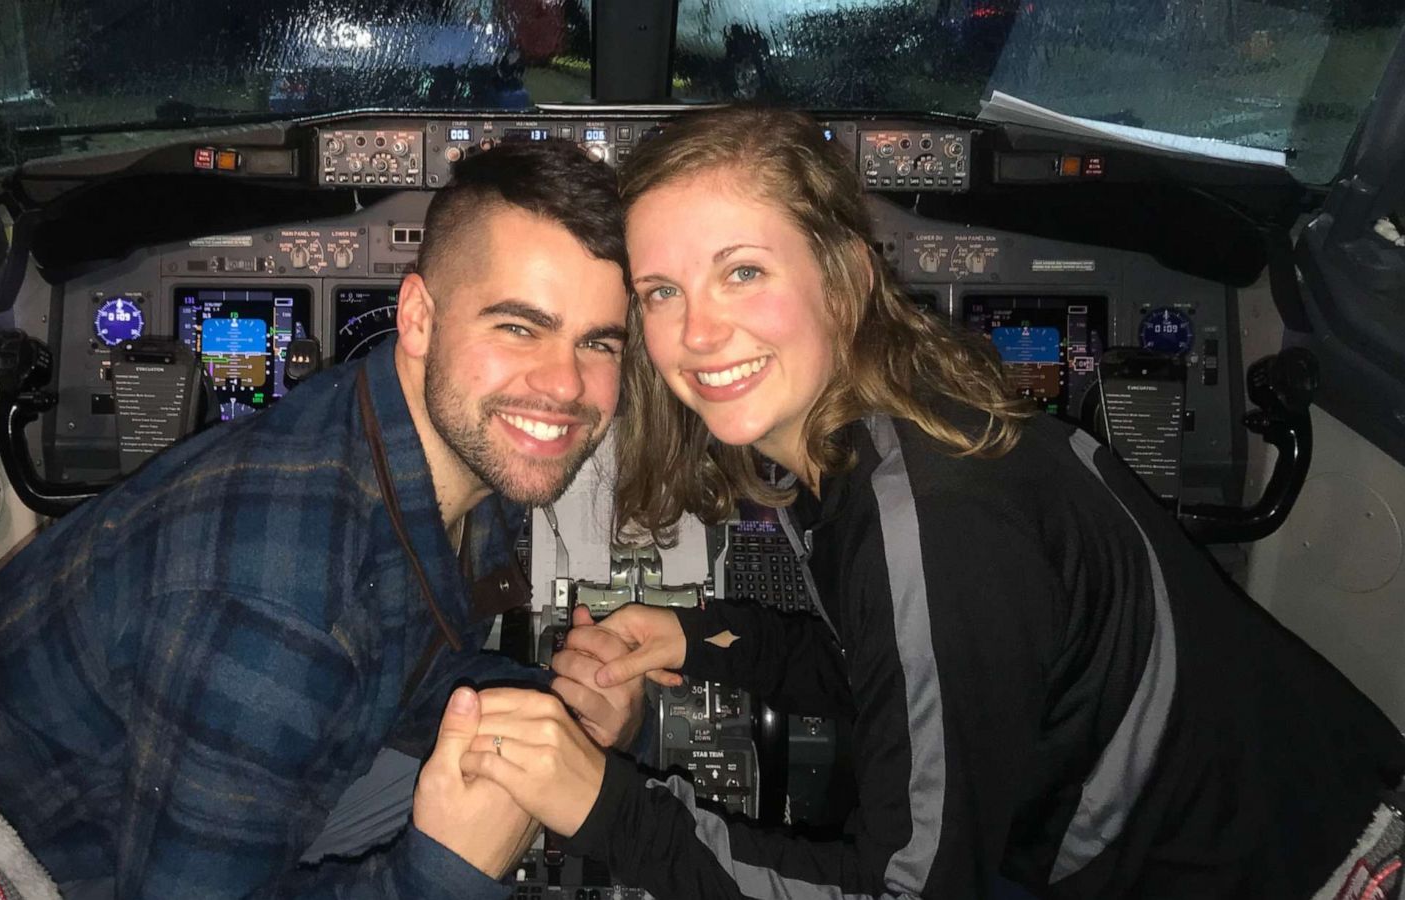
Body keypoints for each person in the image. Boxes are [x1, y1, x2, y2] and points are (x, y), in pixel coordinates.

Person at [455, 106, 1405, 899]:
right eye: (661, 291)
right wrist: (696, 638)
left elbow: (905, 891)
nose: (698, 331)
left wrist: (603, 808)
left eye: (743, 270)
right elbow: (893, 678)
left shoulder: (941, 513)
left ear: (846, 278)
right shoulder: (867, 436)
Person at [0, 139, 646, 899]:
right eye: (518, 327)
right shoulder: (279, 614)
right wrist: (440, 878)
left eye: (597, 342)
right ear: (419, 319)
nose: (565, 386)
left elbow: (404, 668)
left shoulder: (428, 452)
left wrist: (559, 706)